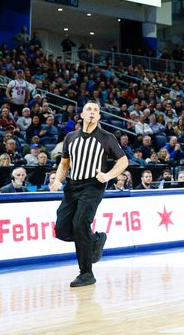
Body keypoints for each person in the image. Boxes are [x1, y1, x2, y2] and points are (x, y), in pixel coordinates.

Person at [49, 100, 129, 288]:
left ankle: (86, 273)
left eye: (95, 110)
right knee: (61, 228)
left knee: (80, 223)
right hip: (72, 187)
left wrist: (108, 175)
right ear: (82, 115)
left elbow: (123, 161)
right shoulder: (70, 137)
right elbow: (64, 163)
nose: (92, 112)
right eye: (88, 109)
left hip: (93, 186)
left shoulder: (106, 137)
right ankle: (95, 240)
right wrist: (57, 180)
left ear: (99, 116)